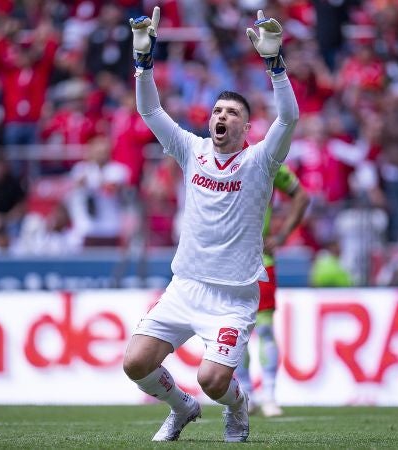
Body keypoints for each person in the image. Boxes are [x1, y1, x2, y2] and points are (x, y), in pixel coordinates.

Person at [122, 7, 298, 443]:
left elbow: (289, 118)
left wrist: (276, 66)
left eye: (231, 113)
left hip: (233, 296)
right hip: (185, 286)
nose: (221, 117)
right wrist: (143, 63)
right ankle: (182, 409)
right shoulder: (191, 150)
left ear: (246, 125)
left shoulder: (260, 160)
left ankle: (238, 410)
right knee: (135, 362)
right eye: (217, 111)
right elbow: (150, 111)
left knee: (213, 380)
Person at [234, 164, 310, 418]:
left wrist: (283, 235)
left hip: (260, 260)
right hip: (228, 263)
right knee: (236, 330)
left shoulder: (267, 164)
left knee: (264, 328)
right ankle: (246, 394)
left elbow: (301, 196)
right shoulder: (212, 161)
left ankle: (269, 394)